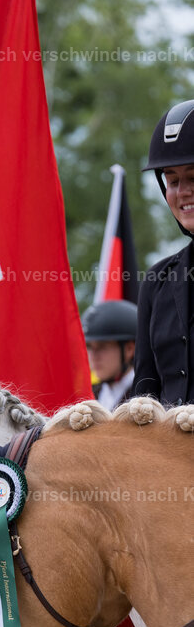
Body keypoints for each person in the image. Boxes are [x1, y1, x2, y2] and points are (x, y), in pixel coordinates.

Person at [134, 98, 194, 405]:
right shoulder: (157, 281)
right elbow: (144, 391)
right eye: (172, 179)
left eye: (193, 177)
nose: (183, 191)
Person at [81, 299, 138, 409]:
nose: (93, 356)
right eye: (89, 346)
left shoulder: (149, 397)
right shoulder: (88, 397)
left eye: (102, 346)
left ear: (129, 349)